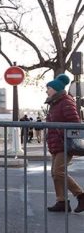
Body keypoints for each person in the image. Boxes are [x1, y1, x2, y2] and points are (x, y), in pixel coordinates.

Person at [43, 74, 84, 213]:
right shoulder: (54, 103)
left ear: (56, 88)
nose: (46, 91)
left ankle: (81, 195)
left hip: (64, 143)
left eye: (48, 88)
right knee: (55, 173)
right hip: (56, 143)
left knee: (58, 171)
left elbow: (75, 122)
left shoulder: (66, 101)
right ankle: (61, 202)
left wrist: (60, 131)